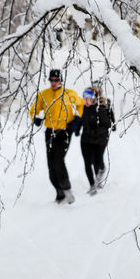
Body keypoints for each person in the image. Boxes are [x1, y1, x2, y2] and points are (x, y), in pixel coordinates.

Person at [30, 69, 83, 204]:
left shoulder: (68, 94)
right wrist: (36, 118)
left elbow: (81, 105)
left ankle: (66, 189)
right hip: (50, 132)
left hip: (65, 132)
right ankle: (59, 191)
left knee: (58, 160)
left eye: (56, 80)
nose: (53, 83)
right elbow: (34, 109)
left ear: (60, 81)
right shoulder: (44, 95)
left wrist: (77, 120)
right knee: (51, 164)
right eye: (52, 80)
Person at [79, 81, 115, 195]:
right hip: (86, 139)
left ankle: (101, 172)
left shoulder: (101, 108)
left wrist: (94, 132)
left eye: (88, 98)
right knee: (87, 162)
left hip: (99, 139)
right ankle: (92, 186)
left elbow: (108, 124)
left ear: (94, 98)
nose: (86, 100)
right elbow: (81, 120)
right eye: (84, 97)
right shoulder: (84, 107)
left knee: (97, 161)